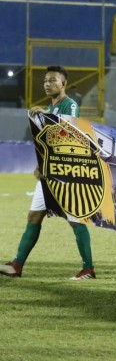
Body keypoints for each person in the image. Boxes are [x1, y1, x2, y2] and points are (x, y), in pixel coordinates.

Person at [0, 65, 95, 280]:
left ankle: (88, 269)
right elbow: (46, 143)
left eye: (53, 80)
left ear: (64, 84)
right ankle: (17, 265)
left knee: (76, 220)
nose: (47, 84)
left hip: (65, 174)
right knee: (34, 216)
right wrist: (40, 164)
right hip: (47, 173)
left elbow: (67, 132)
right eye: (45, 80)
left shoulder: (69, 105)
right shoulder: (49, 108)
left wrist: (45, 117)